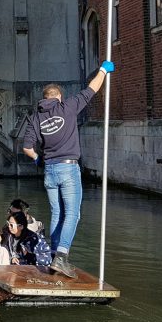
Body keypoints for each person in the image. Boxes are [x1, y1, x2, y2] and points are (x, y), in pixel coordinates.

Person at [21, 60, 114, 278]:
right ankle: (61, 257)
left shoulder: (35, 118)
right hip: (68, 168)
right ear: (59, 97)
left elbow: (27, 148)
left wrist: (37, 159)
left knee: (57, 213)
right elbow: (92, 89)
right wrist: (103, 70)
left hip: (50, 170)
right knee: (73, 213)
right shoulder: (67, 106)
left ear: (45, 98)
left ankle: (54, 254)